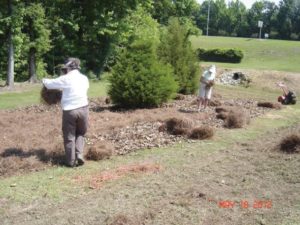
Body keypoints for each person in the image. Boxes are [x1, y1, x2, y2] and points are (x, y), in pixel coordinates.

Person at [43, 58, 89, 167]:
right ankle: (79, 155)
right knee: (81, 133)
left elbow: (49, 84)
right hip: (84, 109)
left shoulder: (66, 79)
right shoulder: (84, 78)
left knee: (69, 136)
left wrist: (43, 80)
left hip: (70, 111)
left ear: (68, 68)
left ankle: (70, 161)